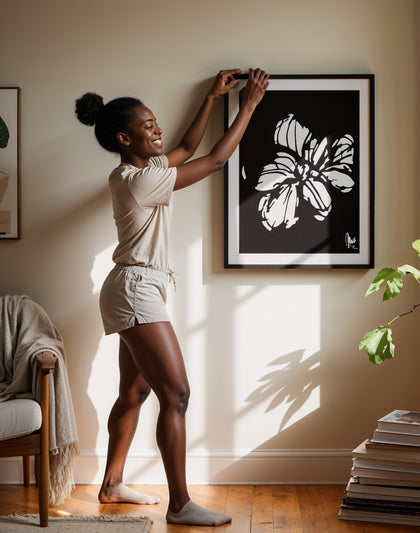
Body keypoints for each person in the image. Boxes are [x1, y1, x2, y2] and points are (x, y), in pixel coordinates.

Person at [75, 68, 269, 526]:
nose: (157, 130)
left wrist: (210, 97)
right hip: (136, 289)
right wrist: (249, 105)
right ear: (125, 138)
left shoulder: (144, 170)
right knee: (176, 394)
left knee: (134, 390)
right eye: (147, 126)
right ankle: (181, 505)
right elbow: (215, 160)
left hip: (134, 286)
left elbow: (185, 148)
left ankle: (111, 485)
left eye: (155, 122)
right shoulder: (137, 181)